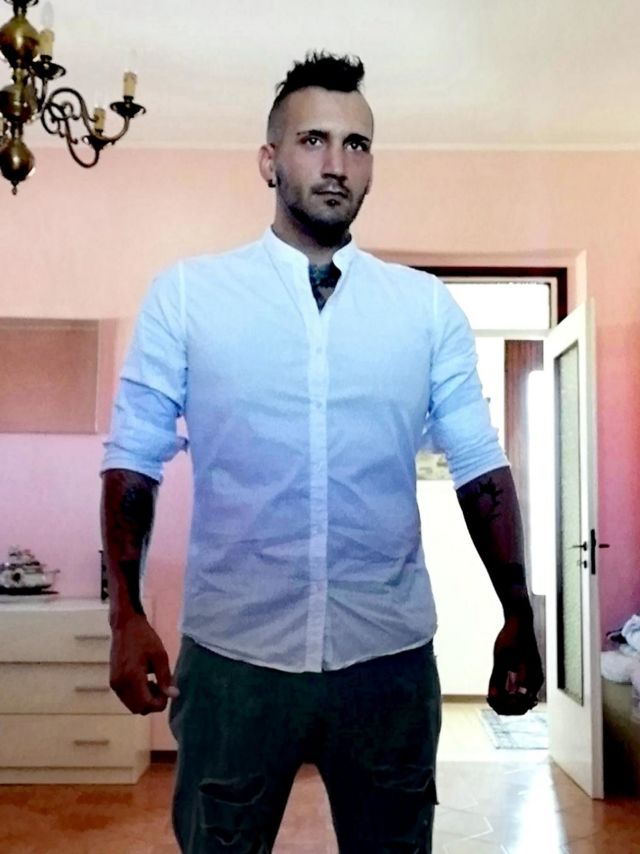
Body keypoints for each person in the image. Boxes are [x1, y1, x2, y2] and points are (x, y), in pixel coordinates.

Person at [101, 51, 544, 854]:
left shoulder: (423, 308)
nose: (336, 163)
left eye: (356, 144)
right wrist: (125, 615)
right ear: (270, 160)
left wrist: (517, 611)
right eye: (313, 140)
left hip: (387, 659)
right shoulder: (190, 296)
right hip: (234, 660)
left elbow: (479, 466)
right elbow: (134, 458)